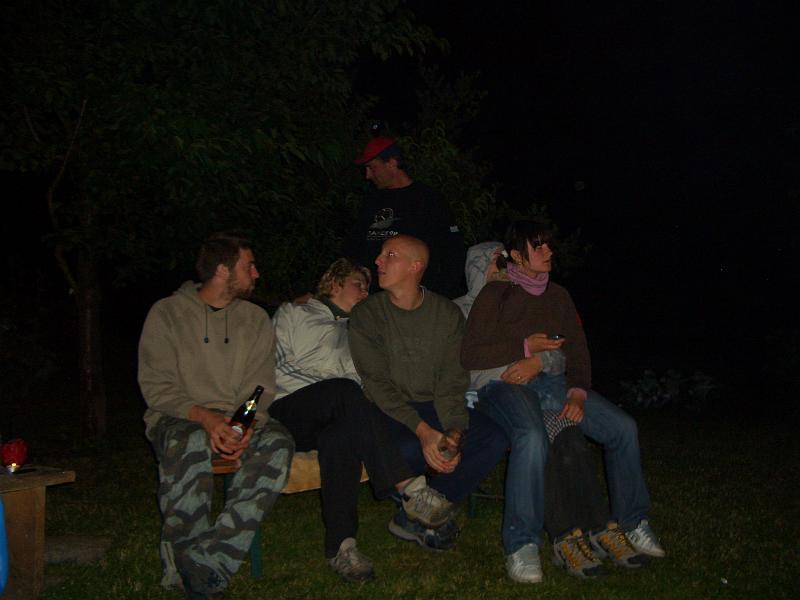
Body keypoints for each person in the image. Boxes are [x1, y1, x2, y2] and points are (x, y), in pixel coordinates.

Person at [461, 220, 665, 582]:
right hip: (507, 386)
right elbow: (470, 354)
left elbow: (578, 352)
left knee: (623, 428)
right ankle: (521, 544)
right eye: (538, 246)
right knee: (532, 437)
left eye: (548, 245)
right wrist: (525, 348)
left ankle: (633, 521)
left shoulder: (559, 296)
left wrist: (577, 392)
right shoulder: (495, 294)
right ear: (517, 256)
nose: (549, 252)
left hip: (554, 383)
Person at [269, 258, 450, 582]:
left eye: (368, 288)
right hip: (288, 410)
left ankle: (342, 547)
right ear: (334, 283)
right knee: (344, 390)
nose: (366, 292)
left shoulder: (362, 331)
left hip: (336, 414)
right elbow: (278, 367)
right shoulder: (295, 313)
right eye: (358, 285)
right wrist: (337, 382)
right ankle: (409, 488)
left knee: (342, 436)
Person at [138, 232, 294, 598]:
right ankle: (185, 561)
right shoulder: (167, 313)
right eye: (249, 266)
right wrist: (205, 418)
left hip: (236, 416)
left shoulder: (254, 319)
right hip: (178, 415)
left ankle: (208, 560)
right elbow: (157, 386)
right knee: (190, 442)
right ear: (223, 270)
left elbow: (259, 387)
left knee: (278, 445)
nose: (256, 274)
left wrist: (242, 425)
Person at [348, 234, 508, 552]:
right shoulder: (367, 314)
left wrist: (453, 432)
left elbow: (452, 381)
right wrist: (424, 432)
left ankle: (417, 517)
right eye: (380, 254)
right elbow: (376, 384)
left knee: (492, 438)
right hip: (385, 409)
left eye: (389, 255)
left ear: (415, 266)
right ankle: (428, 513)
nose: (377, 261)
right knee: (409, 449)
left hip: (433, 405)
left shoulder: (446, 314)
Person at [347, 136, 466, 299]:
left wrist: (435, 297)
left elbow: (452, 252)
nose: (368, 175)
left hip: (416, 300)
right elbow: (354, 248)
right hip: (374, 299)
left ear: (392, 163)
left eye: (372, 168)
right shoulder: (371, 201)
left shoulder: (428, 200)